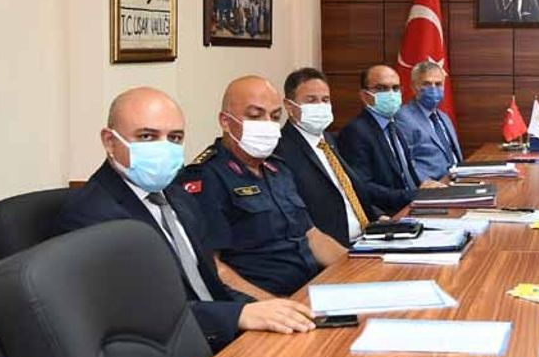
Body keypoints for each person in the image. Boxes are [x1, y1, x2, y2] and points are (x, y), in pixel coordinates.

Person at [58, 87, 316, 351]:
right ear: (110, 142)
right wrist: (238, 315)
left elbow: (210, 281)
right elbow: (139, 310)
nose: (164, 147)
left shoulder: (177, 195)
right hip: (169, 352)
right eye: (147, 136)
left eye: (175, 137)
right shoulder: (92, 214)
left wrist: (263, 308)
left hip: (222, 333)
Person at [181, 75, 348, 299]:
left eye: (275, 116)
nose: (267, 124)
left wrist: (356, 267)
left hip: (311, 289)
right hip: (263, 303)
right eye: (255, 116)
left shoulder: (278, 168)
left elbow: (311, 235)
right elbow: (214, 268)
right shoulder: (207, 177)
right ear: (225, 121)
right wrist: (276, 306)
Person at [275, 67, 388, 247]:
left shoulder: (329, 140)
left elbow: (349, 190)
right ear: (289, 106)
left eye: (325, 100)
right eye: (311, 100)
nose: (320, 106)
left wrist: (380, 217)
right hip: (333, 249)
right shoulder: (281, 151)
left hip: (368, 238)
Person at [338, 64, 445, 208]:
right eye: (381, 88)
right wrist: (413, 195)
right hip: (389, 211)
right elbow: (363, 187)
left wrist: (424, 186)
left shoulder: (394, 126)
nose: (390, 94)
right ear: (364, 96)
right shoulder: (356, 132)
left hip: (413, 204)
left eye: (395, 88)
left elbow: (405, 174)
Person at [395, 60, 464, 181]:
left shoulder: (444, 117)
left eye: (438, 84)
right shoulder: (403, 117)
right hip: (431, 185)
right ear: (414, 87)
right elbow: (404, 163)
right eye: (427, 84)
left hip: (458, 178)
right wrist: (423, 183)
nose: (433, 89)